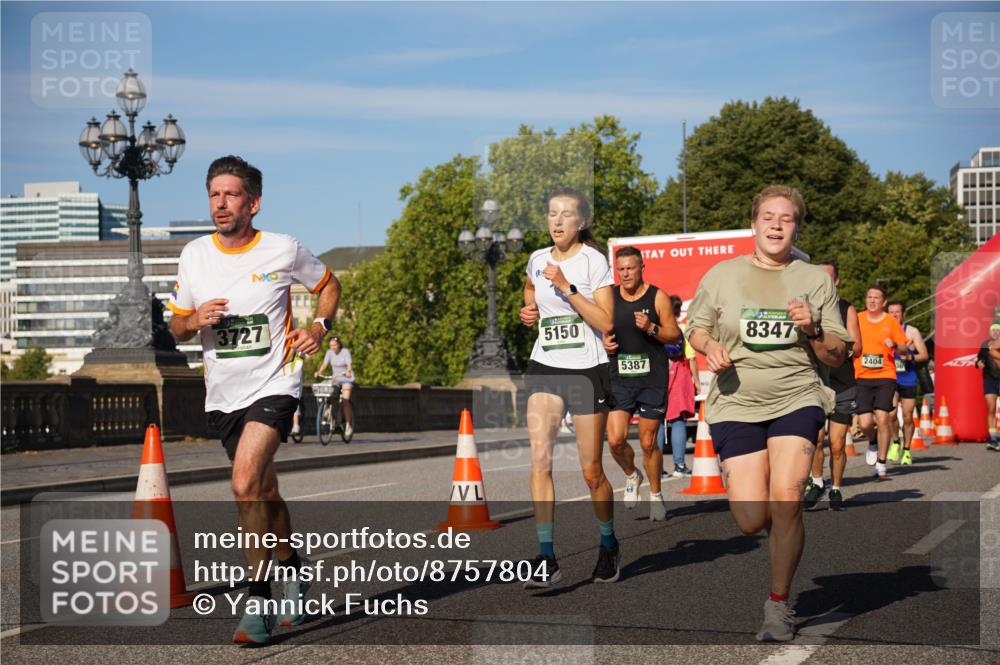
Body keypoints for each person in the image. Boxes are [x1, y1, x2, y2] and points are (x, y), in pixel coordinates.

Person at [167, 155, 341, 644]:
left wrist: (318, 326)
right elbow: (176, 326)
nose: (220, 203)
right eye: (214, 194)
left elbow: (328, 285)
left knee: (244, 483)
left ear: (253, 203)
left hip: (276, 382)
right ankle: (293, 568)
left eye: (231, 195)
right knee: (263, 491)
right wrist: (194, 320)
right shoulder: (195, 255)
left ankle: (258, 602)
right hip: (223, 393)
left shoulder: (283, 250)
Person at [686, 185, 850, 642]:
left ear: (796, 226)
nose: (777, 225)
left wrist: (814, 327)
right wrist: (710, 345)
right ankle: (741, 475)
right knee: (751, 519)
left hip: (796, 395)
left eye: (787, 218)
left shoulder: (814, 278)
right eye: (768, 217)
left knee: (788, 495)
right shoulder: (721, 275)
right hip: (737, 399)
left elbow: (836, 355)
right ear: (754, 223)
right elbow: (696, 329)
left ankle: (779, 606)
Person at [519, 187, 620, 588]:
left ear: (581, 222)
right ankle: (546, 557)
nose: (557, 221)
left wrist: (567, 287)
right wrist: (528, 311)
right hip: (545, 364)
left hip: (585, 368)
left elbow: (607, 321)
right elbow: (530, 290)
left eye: (566, 215)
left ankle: (609, 544)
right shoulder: (537, 259)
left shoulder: (594, 261)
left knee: (591, 470)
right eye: (551, 214)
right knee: (540, 462)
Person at [603, 246, 681, 521]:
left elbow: (674, 335)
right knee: (615, 439)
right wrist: (604, 340)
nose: (625, 274)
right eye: (621, 269)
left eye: (630, 268)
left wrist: (651, 328)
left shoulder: (657, 296)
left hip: (651, 378)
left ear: (641, 267)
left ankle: (656, 495)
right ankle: (631, 474)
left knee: (648, 443)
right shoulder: (609, 296)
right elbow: (596, 325)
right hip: (619, 377)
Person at [803, 261, 861, 511]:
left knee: (837, 444)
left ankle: (836, 487)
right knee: (815, 440)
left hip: (842, 383)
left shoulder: (846, 308)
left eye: (827, 277)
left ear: (836, 281)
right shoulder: (804, 308)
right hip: (815, 382)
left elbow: (858, 348)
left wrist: (833, 346)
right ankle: (817, 482)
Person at [854, 285, 909, 479]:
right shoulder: (857, 318)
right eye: (869, 297)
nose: (872, 300)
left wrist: (894, 345)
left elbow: (903, 349)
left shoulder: (890, 322)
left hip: (885, 375)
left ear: (883, 302)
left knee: (883, 418)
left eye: (876, 297)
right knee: (865, 422)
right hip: (861, 375)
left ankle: (882, 462)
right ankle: (872, 442)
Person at [657, 294, 699, 478]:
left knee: (656, 420)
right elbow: (690, 357)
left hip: (658, 373)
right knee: (678, 420)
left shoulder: (656, 330)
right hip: (679, 373)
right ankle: (679, 465)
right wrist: (696, 379)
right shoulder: (681, 328)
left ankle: (656, 467)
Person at [886, 301, 929, 464]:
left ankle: (906, 450)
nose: (894, 315)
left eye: (897, 312)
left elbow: (924, 355)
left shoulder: (911, 331)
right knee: (890, 414)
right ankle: (896, 442)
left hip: (908, 378)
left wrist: (910, 357)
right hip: (890, 377)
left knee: (908, 416)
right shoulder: (884, 330)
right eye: (891, 312)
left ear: (903, 314)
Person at [315, 336, 354, 438]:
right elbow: (325, 364)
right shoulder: (329, 353)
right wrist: (319, 372)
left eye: (335, 345)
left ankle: (348, 425)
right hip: (336, 378)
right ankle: (332, 415)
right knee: (331, 396)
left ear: (339, 344)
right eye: (331, 345)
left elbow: (349, 364)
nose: (333, 347)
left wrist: (348, 371)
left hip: (346, 378)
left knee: (345, 400)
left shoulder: (345, 352)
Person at [975, 323, 1000, 451]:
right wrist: (978, 363)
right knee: (991, 408)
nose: (995, 332)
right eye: (993, 330)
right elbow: (979, 358)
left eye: (998, 330)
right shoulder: (985, 345)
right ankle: (993, 438)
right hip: (989, 379)